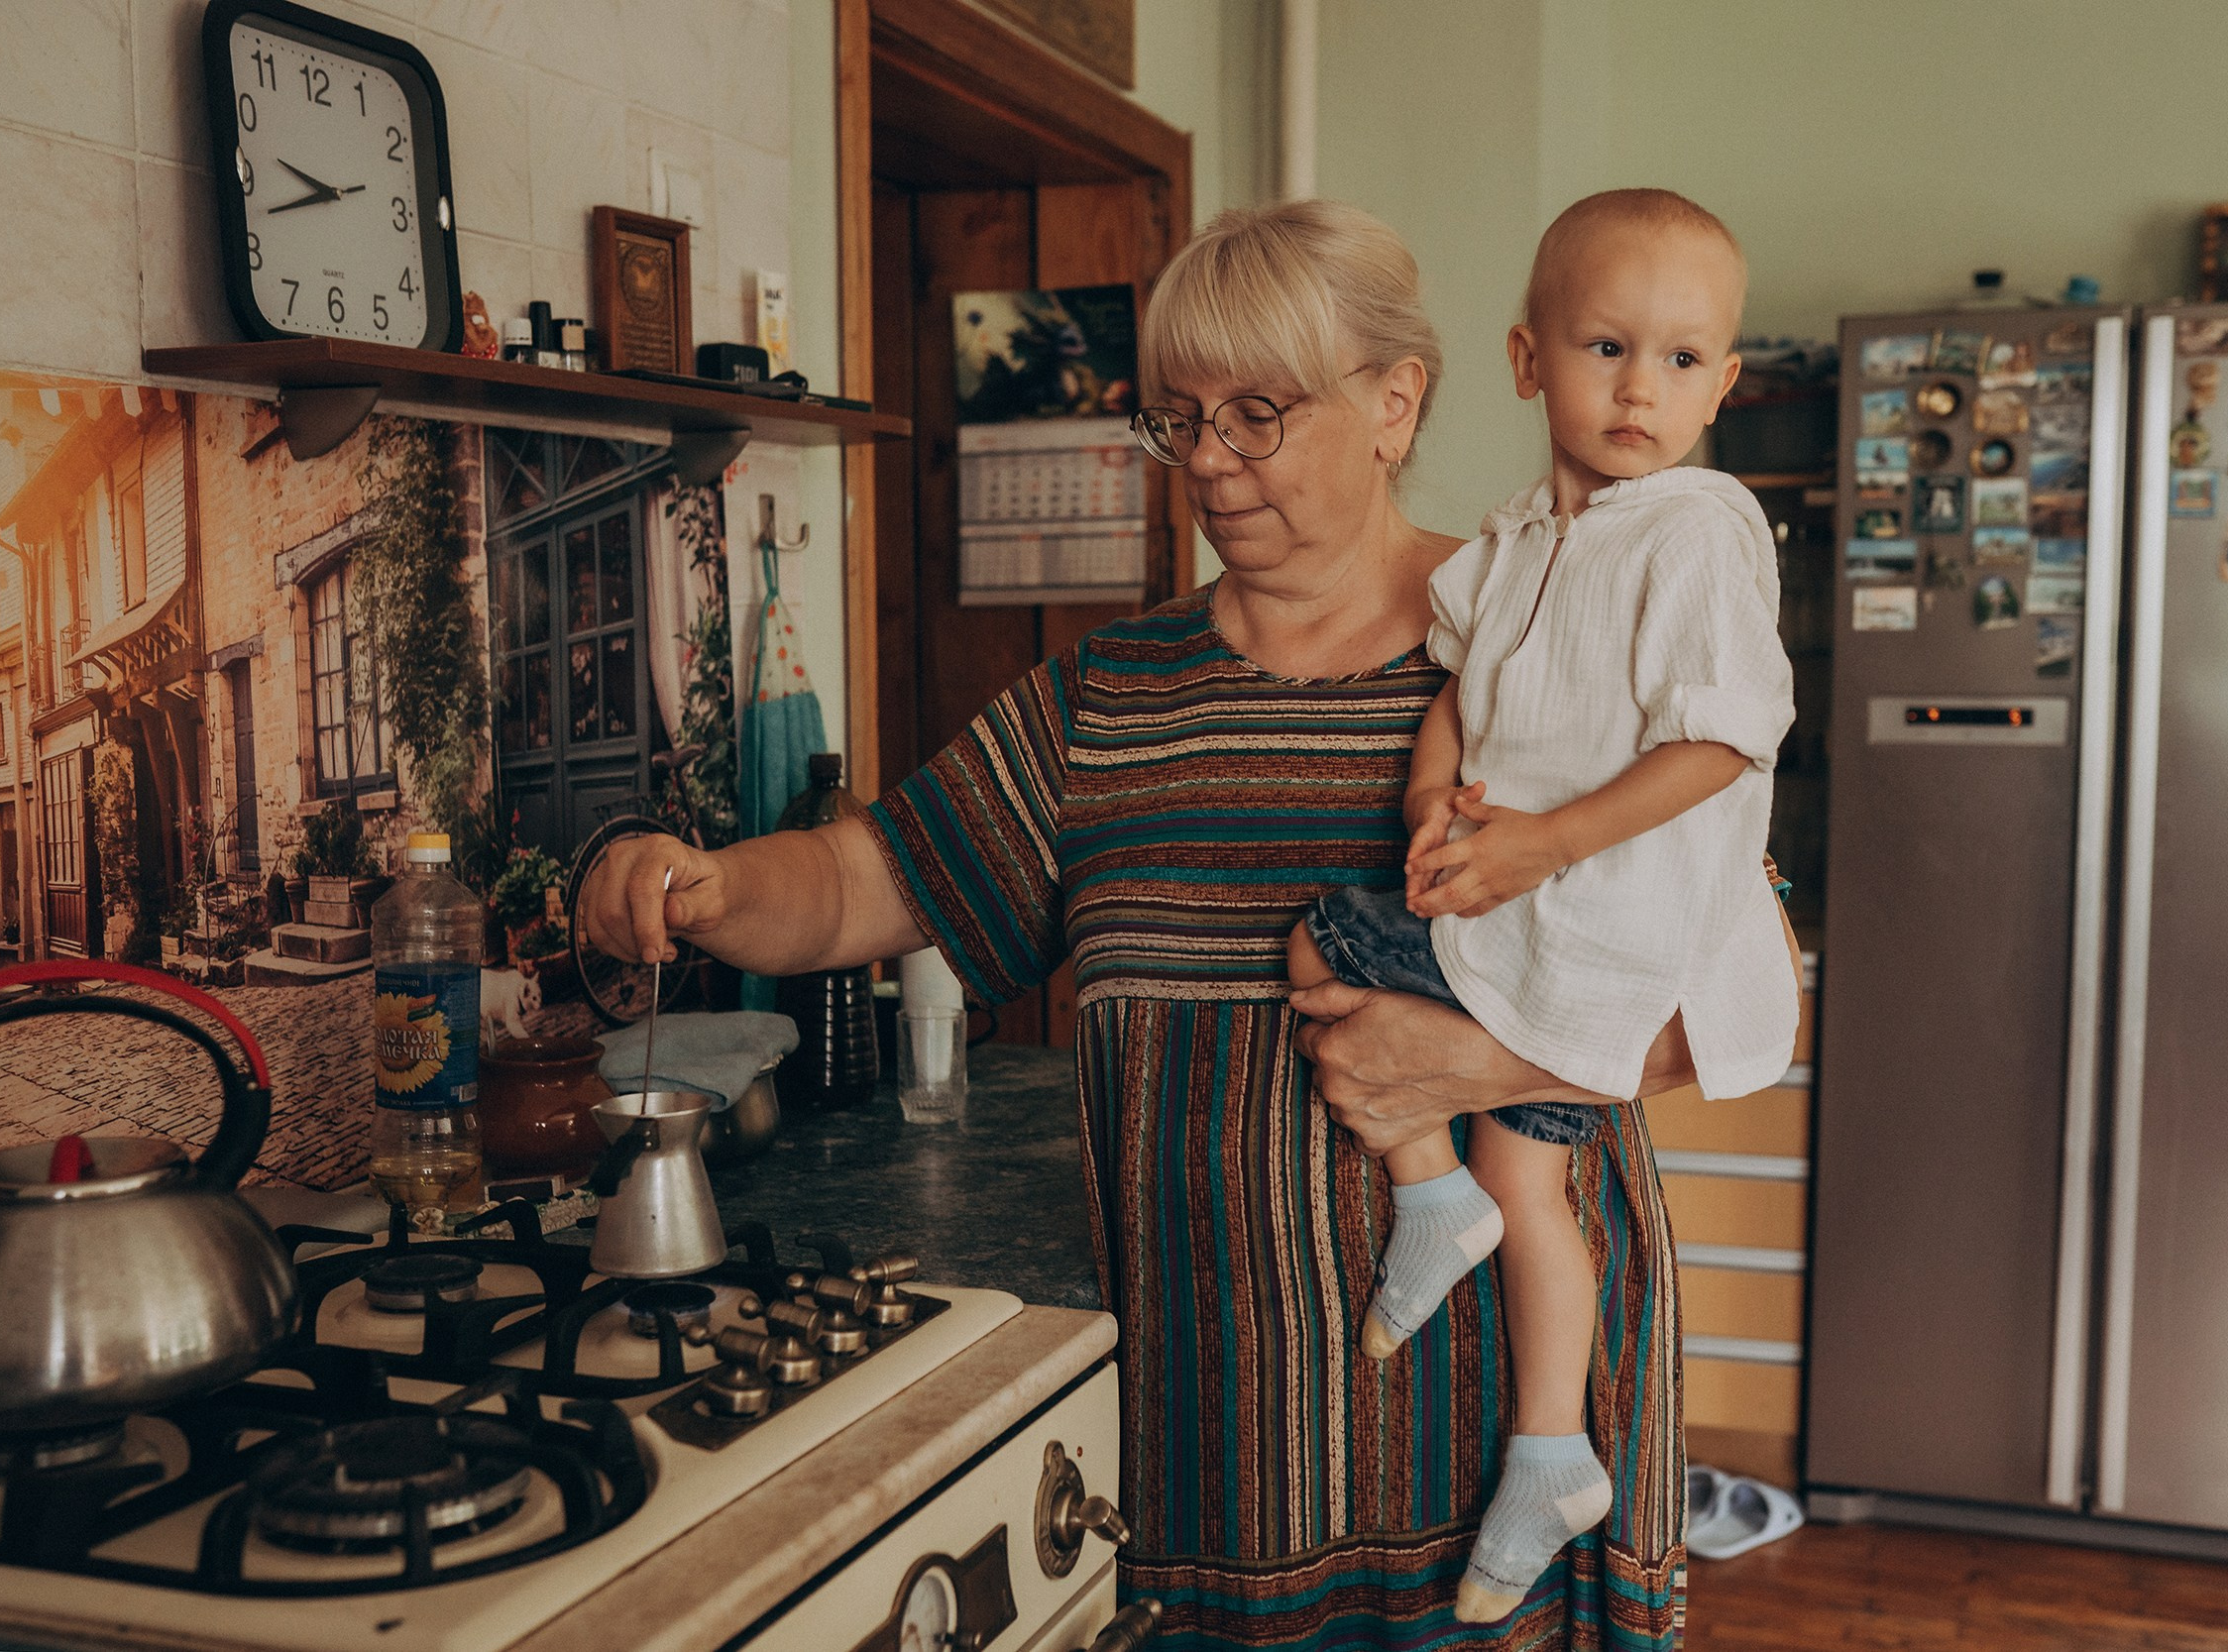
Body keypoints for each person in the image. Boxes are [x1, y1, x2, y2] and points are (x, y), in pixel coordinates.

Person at [582, 198, 1712, 1649]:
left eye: (1258, 414)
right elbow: (875, 878)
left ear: (1395, 401)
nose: (1213, 467)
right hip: (1219, 1453)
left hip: (1506, 1428)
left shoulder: (1551, 628)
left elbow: (1755, 1004)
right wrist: (714, 887)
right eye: (1178, 423)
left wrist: (1482, 1071)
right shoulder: (1108, 696)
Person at [1284, 187, 1798, 1622]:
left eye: (1684, 361)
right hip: (1510, 924)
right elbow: (1459, 692)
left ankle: (1427, 1192)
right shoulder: (1514, 540)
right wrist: (1434, 804)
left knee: (1322, 944)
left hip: (1598, 942)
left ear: (1725, 384)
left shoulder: (1696, 534)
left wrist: (1540, 845)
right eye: (1608, 347)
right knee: (1530, 1185)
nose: (1643, 388)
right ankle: (1549, 1446)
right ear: (1527, 362)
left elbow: (1724, 740)